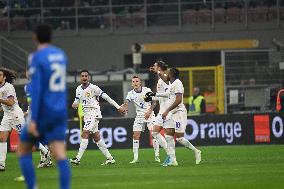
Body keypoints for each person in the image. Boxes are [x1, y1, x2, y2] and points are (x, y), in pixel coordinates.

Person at [18, 24, 71, 189]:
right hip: (60, 111)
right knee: (60, 154)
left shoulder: (36, 57)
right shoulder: (61, 55)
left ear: (34, 37)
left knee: (23, 149)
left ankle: (32, 186)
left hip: (43, 111)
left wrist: (33, 119)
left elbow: (38, 87)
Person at [70, 70, 125, 166]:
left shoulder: (94, 88)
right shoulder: (78, 89)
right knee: (96, 137)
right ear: (80, 77)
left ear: (88, 77)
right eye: (82, 76)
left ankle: (78, 158)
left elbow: (107, 98)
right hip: (87, 115)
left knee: (85, 132)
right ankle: (110, 158)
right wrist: (74, 104)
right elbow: (77, 100)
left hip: (94, 113)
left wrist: (118, 107)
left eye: (86, 76)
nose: (84, 77)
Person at [153, 68, 202, 166]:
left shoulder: (178, 84)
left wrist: (167, 110)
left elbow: (179, 100)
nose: (166, 74)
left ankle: (196, 151)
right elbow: (168, 94)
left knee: (179, 138)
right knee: (168, 135)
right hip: (172, 112)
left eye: (168, 73)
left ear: (171, 74)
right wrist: (155, 94)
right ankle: (173, 160)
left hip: (179, 113)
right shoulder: (172, 84)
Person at [123, 76, 160, 163]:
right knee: (135, 135)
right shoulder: (130, 93)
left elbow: (154, 101)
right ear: (132, 84)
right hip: (139, 115)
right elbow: (126, 102)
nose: (135, 83)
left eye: (137, 81)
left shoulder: (147, 90)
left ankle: (157, 156)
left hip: (149, 114)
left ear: (140, 83)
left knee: (154, 134)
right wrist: (125, 107)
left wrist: (149, 111)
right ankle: (135, 158)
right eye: (133, 82)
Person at [147, 60, 174, 166]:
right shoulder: (159, 80)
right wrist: (150, 109)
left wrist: (154, 94)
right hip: (162, 110)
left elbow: (167, 94)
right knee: (154, 132)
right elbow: (157, 97)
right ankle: (170, 155)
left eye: (155, 66)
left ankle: (171, 157)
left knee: (172, 137)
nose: (153, 67)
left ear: (159, 68)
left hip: (167, 111)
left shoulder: (165, 77)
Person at [0, 68, 25, 171]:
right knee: (1, 138)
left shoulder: (9, 87)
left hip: (16, 115)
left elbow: (10, 103)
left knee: (26, 138)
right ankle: (1, 163)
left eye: (0, 75)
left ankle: (45, 152)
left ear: (4, 77)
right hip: (7, 115)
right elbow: (3, 106)